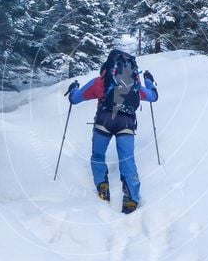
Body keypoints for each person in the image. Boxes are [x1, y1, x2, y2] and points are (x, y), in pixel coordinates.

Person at [67, 51, 158, 214]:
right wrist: (149, 81)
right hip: (127, 122)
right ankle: (131, 199)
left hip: (104, 120)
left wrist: (74, 89)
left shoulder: (99, 82)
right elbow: (153, 97)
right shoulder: (133, 85)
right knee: (127, 159)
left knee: (98, 155)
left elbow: (74, 99)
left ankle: (102, 185)